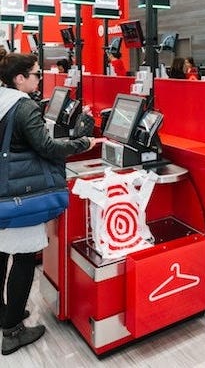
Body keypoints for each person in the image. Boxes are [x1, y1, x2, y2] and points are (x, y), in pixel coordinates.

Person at [0, 53, 96, 356]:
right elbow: (47, 147)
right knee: (25, 258)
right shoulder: (22, 105)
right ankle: (13, 330)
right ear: (20, 79)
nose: (39, 78)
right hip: (21, 193)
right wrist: (84, 142)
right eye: (36, 74)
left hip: (4, 190)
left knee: (1, 254)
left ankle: (4, 313)